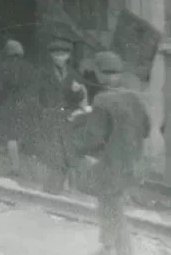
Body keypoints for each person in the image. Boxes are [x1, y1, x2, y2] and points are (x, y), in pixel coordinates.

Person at [68, 51, 149, 255]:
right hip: (132, 164)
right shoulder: (135, 97)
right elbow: (146, 129)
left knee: (111, 207)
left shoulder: (103, 100)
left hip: (111, 165)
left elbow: (93, 138)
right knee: (112, 205)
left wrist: (77, 122)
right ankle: (108, 247)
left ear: (99, 73)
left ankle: (120, 250)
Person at [39, 39, 88, 194]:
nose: (60, 58)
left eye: (63, 55)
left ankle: (60, 188)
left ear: (68, 56)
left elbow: (81, 99)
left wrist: (78, 91)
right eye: (56, 55)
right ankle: (52, 188)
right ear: (51, 56)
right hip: (50, 116)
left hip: (67, 118)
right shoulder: (43, 72)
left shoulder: (74, 75)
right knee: (54, 154)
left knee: (66, 154)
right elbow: (37, 94)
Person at [0, 40, 41, 175]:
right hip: (27, 103)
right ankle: (30, 169)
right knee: (23, 134)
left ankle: (15, 167)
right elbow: (35, 86)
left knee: (11, 135)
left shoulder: (3, 66)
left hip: (9, 103)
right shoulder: (29, 66)